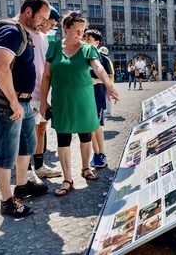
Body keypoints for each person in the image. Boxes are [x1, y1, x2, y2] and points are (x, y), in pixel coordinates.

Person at [0, 0, 50, 217]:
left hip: (22, 101)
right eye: (42, 17)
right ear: (28, 12)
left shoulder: (24, 33)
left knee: (26, 145)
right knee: (5, 153)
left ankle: (22, 185)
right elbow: (0, 67)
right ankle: (6, 201)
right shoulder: (11, 30)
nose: (44, 22)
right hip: (5, 104)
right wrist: (13, 102)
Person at [41, 15, 118, 196]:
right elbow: (46, 76)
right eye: (76, 30)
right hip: (62, 100)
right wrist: (43, 101)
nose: (80, 34)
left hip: (84, 100)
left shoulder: (87, 49)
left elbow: (98, 67)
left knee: (85, 136)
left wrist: (108, 85)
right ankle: (67, 179)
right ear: (65, 27)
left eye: (82, 30)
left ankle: (85, 168)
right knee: (63, 139)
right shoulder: (54, 48)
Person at [28, 5, 62, 180]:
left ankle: (40, 166)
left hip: (43, 92)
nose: (51, 27)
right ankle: (27, 171)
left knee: (41, 128)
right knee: (28, 131)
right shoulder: (26, 34)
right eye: (51, 23)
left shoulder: (44, 39)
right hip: (29, 93)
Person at [84, 30, 114, 169]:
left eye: (88, 39)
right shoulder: (81, 56)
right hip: (83, 96)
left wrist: (93, 82)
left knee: (96, 126)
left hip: (96, 95)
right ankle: (95, 153)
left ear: (96, 42)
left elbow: (109, 77)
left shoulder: (102, 58)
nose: (85, 40)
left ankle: (101, 153)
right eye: (84, 38)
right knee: (89, 127)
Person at [99, 46, 114, 117]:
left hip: (106, 80)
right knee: (107, 97)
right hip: (108, 80)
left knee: (107, 97)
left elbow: (110, 73)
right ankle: (107, 111)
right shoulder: (108, 60)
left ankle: (108, 112)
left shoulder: (105, 60)